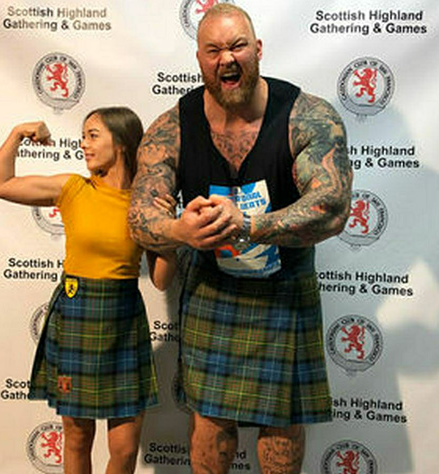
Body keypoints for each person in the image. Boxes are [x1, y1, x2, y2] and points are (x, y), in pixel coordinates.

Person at [128, 5, 352, 474]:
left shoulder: (306, 116)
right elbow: (141, 217)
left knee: (282, 424)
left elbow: (332, 209)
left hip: (284, 290)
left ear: (258, 50)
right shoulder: (173, 126)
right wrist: (179, 230)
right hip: (212, 289)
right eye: (213, 50)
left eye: (237, 46)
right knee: (209, 420)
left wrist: (247, 225)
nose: (227, 59)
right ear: (199, 59)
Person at [0, 107, 177, 474]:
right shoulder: (73, 188)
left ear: (121, 143)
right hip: (76, 314)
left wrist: (167, 229)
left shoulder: (144, 203)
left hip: (124, 321)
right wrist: (18, 132)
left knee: (124, 448)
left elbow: (162, 280)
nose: (83, 144)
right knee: (76, 437)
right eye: (83, 136)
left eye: (93, 135)